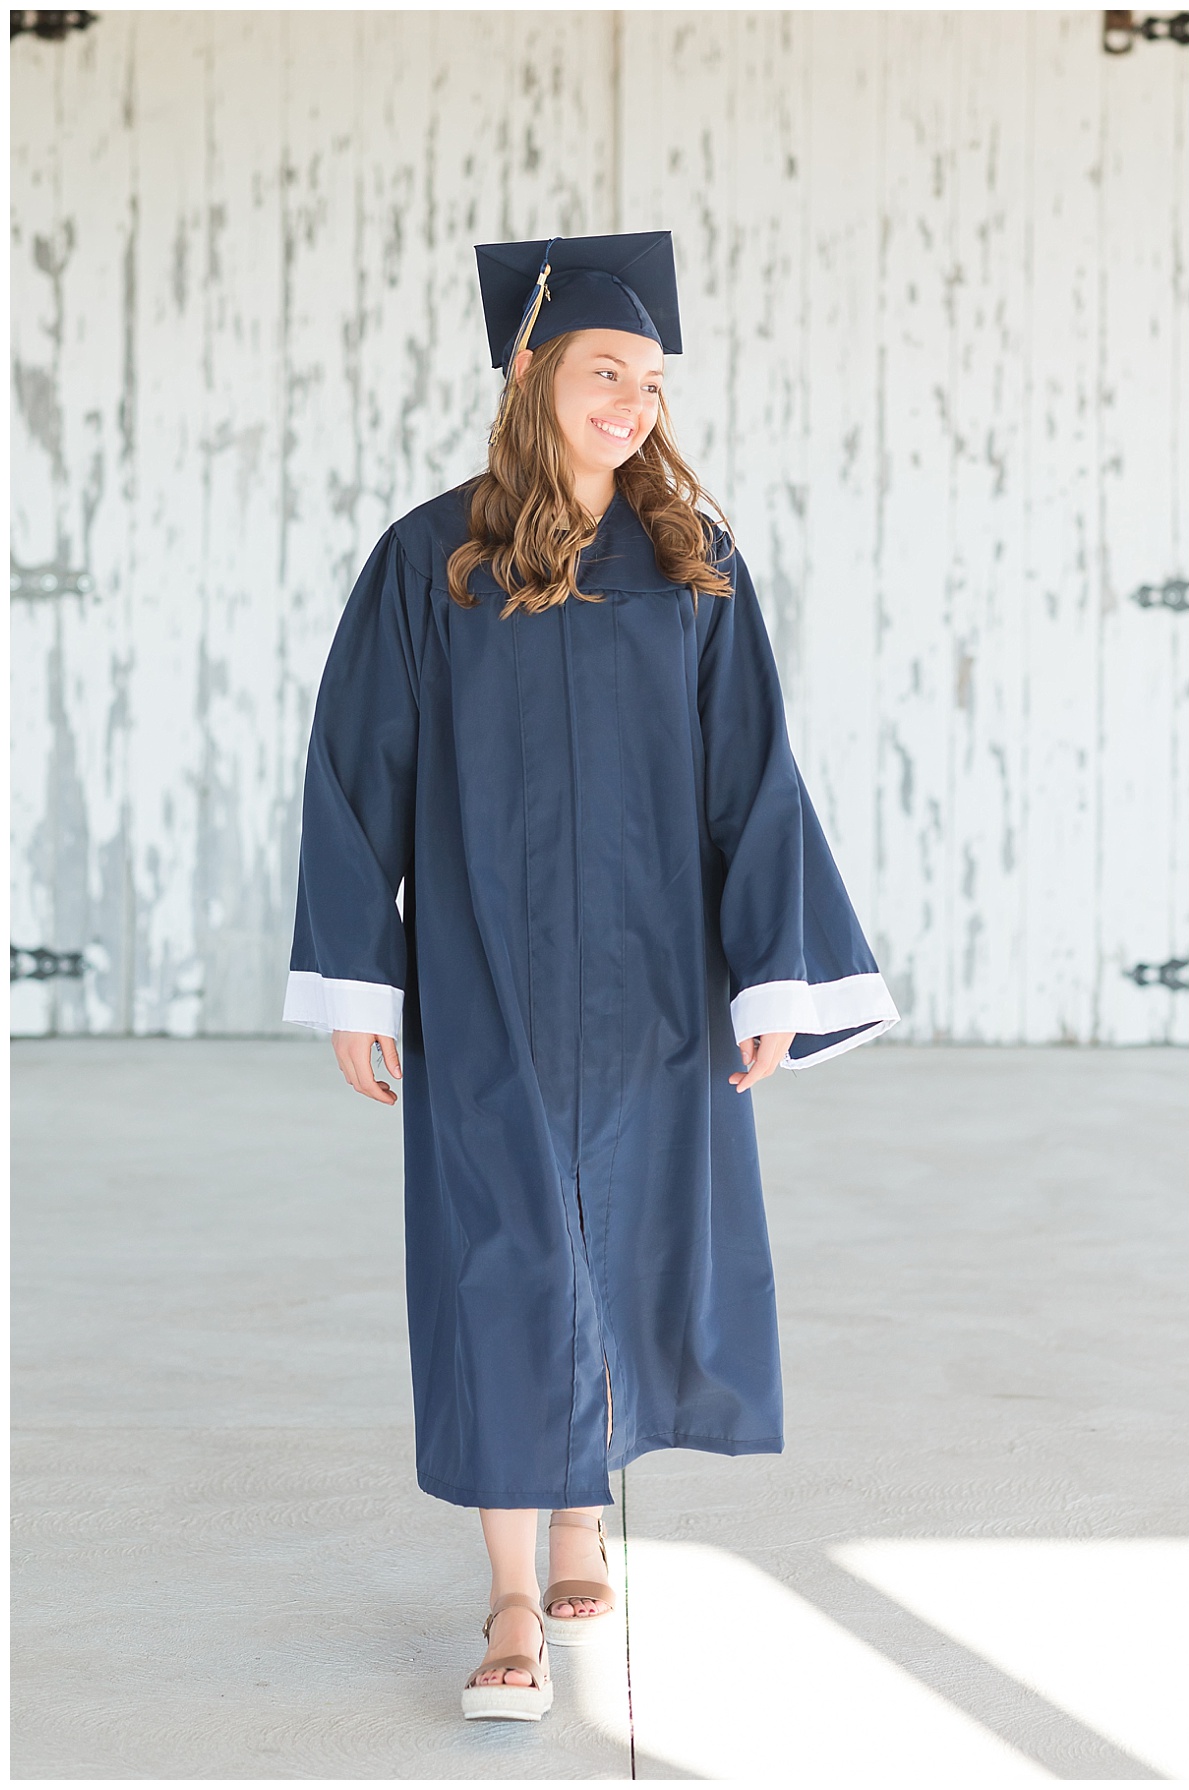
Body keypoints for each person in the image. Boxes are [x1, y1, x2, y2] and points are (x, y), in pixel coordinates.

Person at [282, 230, 899, 1722]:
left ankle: (581, 1521)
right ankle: (510, 1592)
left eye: (652, 380)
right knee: (500, 1255)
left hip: (656, 976)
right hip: (482, 970)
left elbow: (755, 781)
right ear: (533, 370)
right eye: (607, 371)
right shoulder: (434, 559)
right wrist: (361, 980)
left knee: (623, 1241)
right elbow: (357, 771)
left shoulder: (692, 563)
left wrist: (771, 977)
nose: (633, 403)